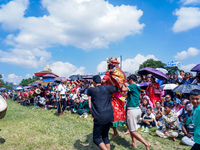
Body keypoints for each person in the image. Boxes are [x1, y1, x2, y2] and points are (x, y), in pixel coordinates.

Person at [87, 75, 118, 150]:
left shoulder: (92, 90)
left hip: (99, 116)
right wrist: (110, 80)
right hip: (109, 115)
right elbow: (116, 87)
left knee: (96, 138)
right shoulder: (107, 88)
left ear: (94, 82)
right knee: (105, 136)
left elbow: (89, 91)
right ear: (100, 81)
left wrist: (92, 83)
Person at [122, 74, 151, 150]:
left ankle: (146, 144)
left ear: (131, 80)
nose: (128, 81)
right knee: (132, 128)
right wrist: (124, 81)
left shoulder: (132, 86)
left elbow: (123, 90)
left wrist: (121, 84)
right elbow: (129, 86)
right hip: (137, 109)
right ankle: (134, 143)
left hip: (132, 110)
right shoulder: (137, 87)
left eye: (128, 80)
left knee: (133, 131)